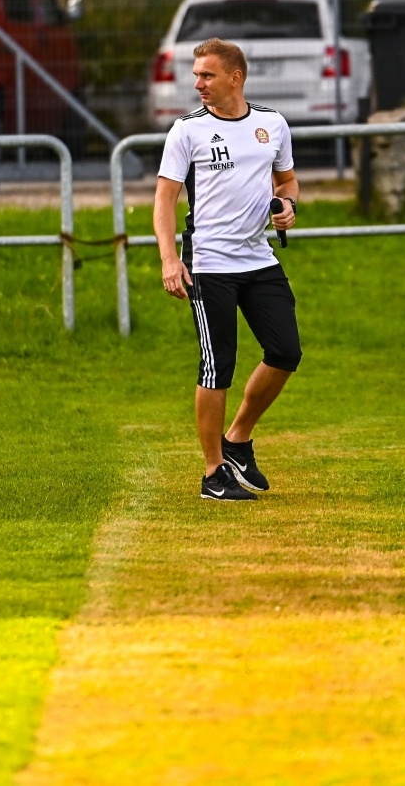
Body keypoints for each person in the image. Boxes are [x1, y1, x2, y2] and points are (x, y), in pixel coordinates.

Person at [154, 37, 301, 502]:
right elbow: (164, 198)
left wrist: (288, 204)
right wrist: (169, 258)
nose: (197, 83)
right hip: (209, 264)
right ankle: (212, 473)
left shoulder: (272, 124)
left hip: (259, 259)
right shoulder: (187, 131)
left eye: (207, 75)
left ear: (235, 78)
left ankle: (236, 440)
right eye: (196, 75)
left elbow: (287, 179)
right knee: (217, 367)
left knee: (285, 351)